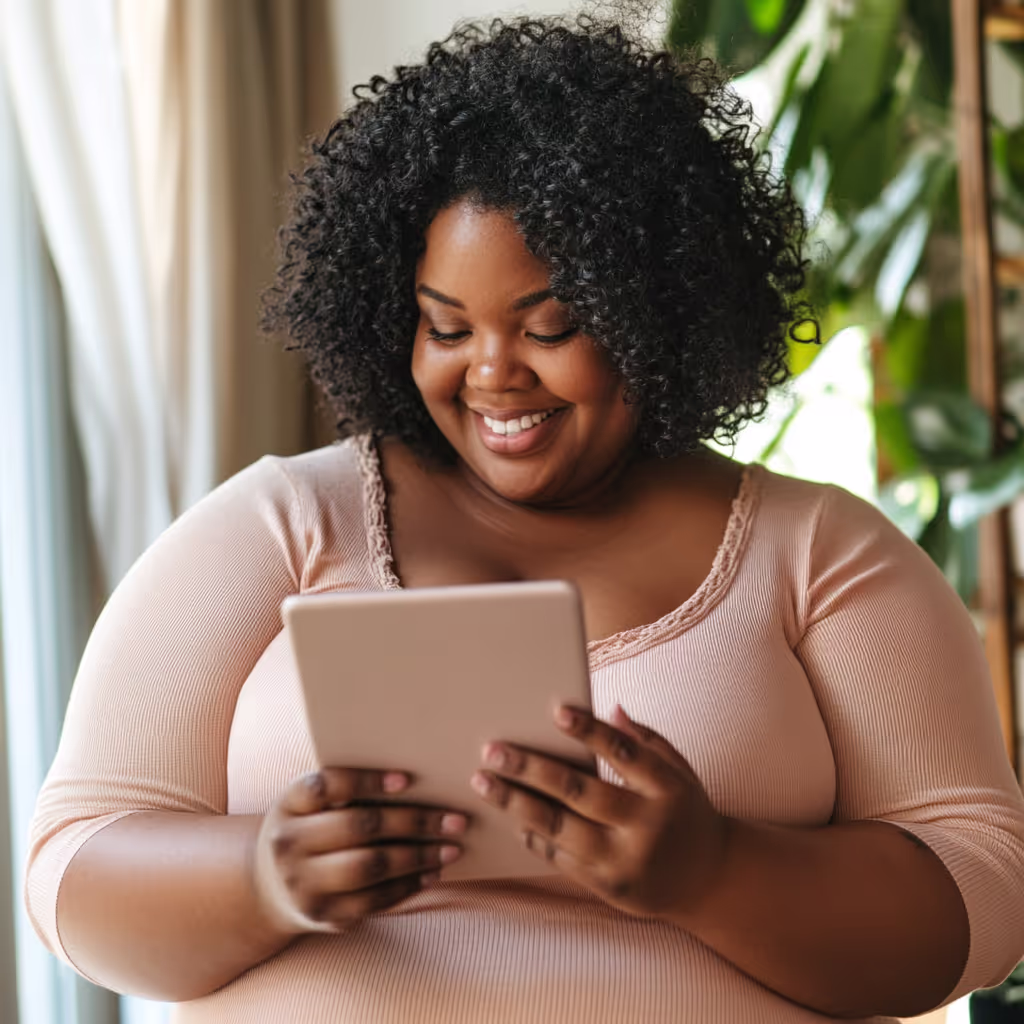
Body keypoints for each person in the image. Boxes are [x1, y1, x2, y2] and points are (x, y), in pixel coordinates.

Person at [24, 13, 1024, 1024]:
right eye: (445, 326)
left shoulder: (818, 556)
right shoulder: (280, 524)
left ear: (660, 312)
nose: (493, 373)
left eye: (551, 327)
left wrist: (713, 871)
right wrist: (264, 876)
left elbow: (982, 893)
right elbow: (67, 872)